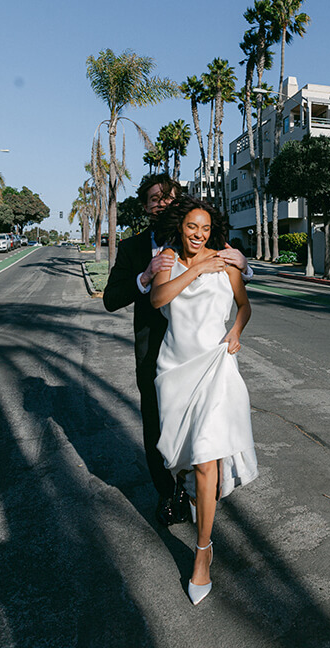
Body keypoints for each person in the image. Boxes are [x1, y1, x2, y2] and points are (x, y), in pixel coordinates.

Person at [103, 173, 253, 527]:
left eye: (169, 197)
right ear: (145, 206)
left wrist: (245, 265)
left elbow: (234, 275)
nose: (162, 202)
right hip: (155, 349)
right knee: (158, 424)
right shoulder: (133, 247)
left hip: (199, 347)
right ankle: (168, 492)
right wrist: (144, 276)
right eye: (155, 198)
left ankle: (200, 484)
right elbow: (111, 299)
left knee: (205, 423)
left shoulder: (202, 235)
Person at [151, 197, 258, 605]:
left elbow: (244, 306)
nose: (199, 234)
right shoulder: (168, 259)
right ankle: (198, 498)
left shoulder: (227, 262)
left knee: (206, 457)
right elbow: (158, 300)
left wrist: (236, 331)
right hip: (176, 370)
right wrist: (195, 269)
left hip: (215, 365)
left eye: (206, 228)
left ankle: (202, 551)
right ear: (181, 227)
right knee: (183, 458)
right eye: (192, 227)